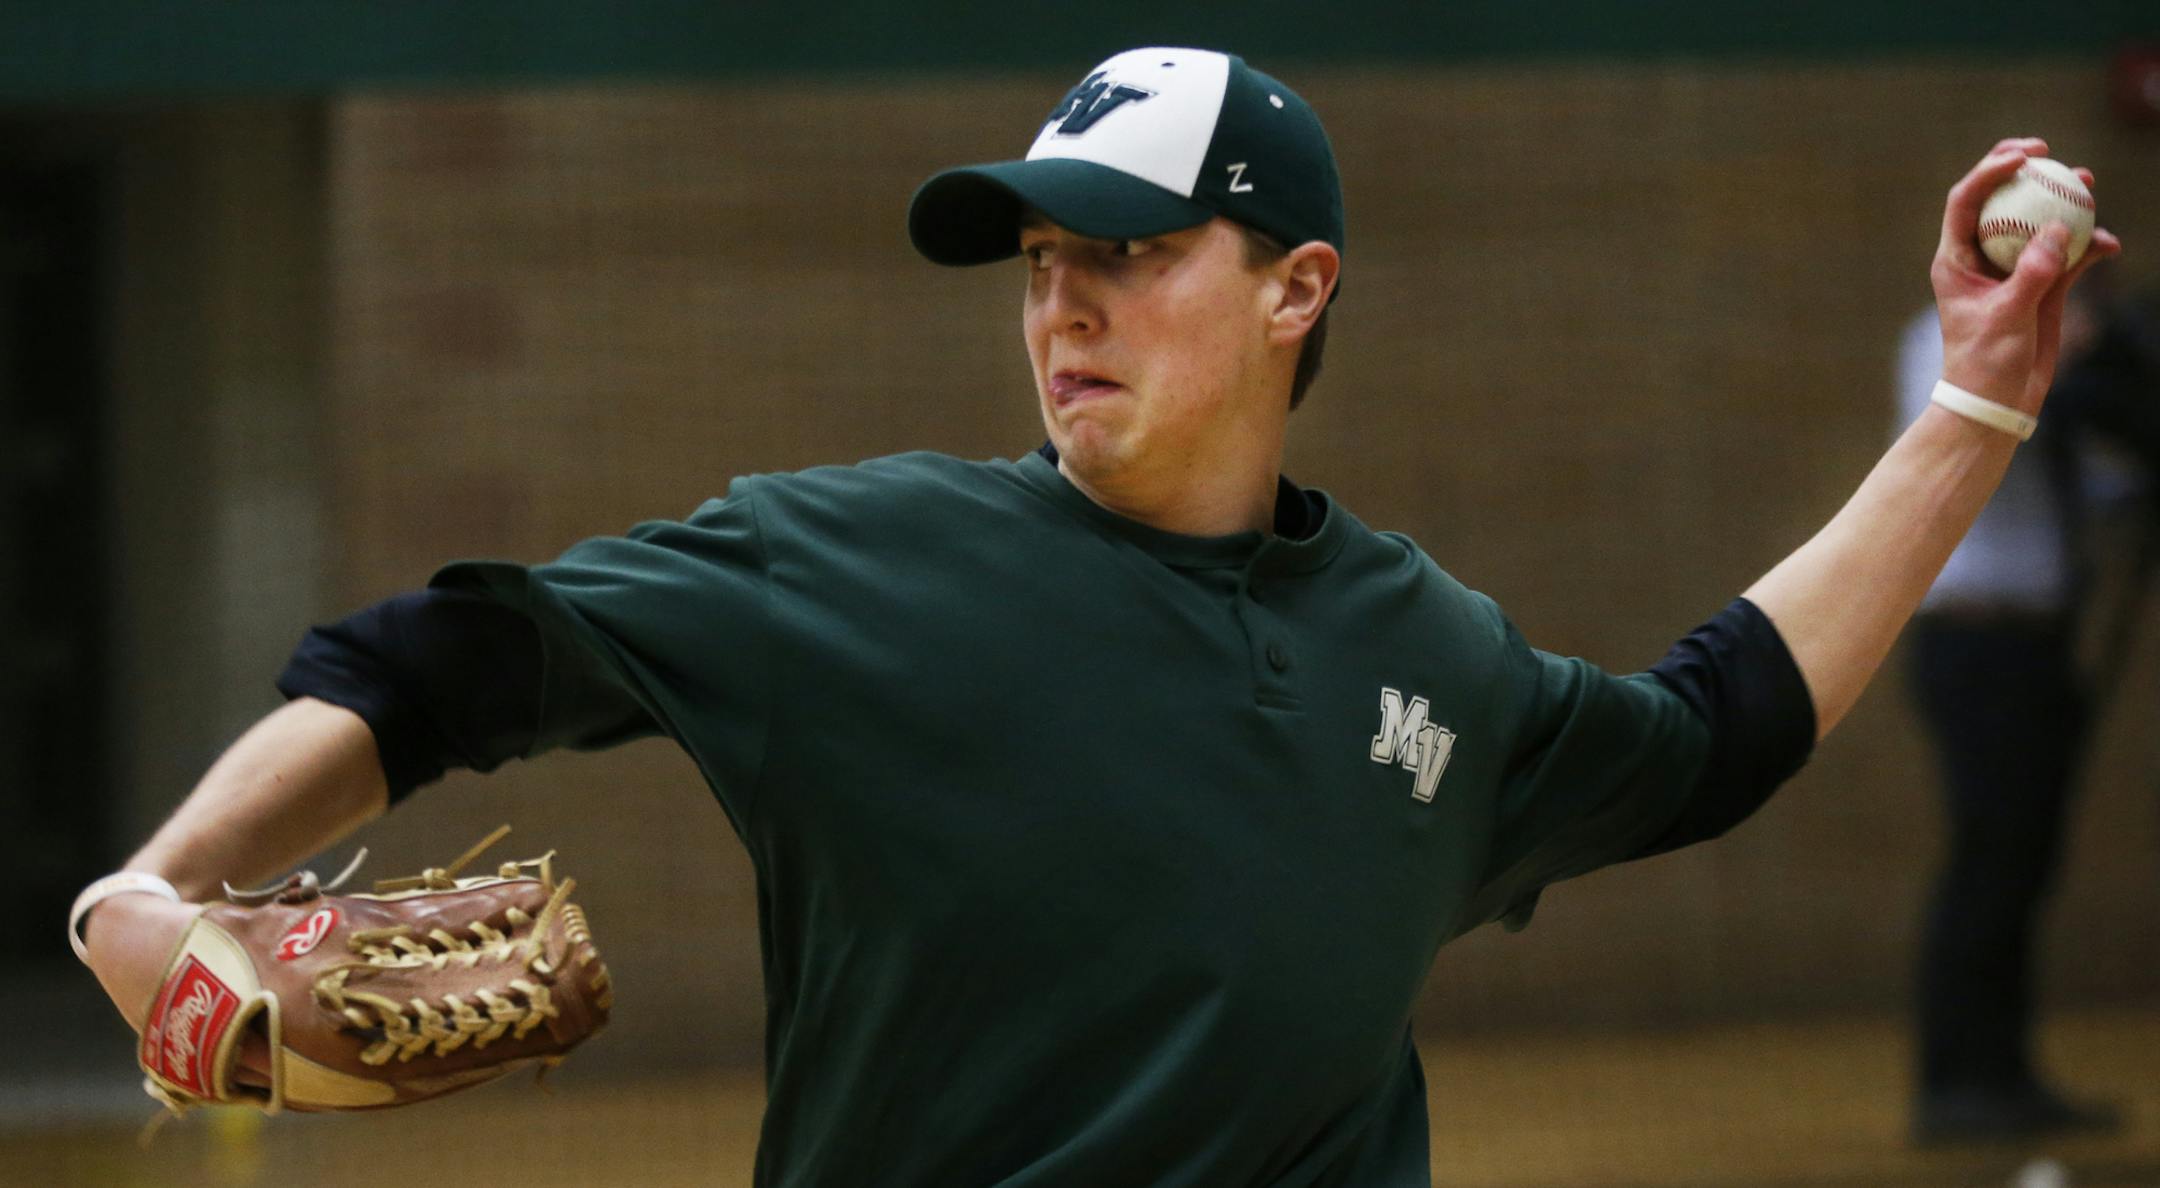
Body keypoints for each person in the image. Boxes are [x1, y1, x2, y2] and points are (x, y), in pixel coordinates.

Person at [73, 48, 2118, 1186]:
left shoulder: (1428, 655)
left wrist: (1982, 402)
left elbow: (1718, 735)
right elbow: (433, 664)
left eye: (1130, 253)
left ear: (1296, 289)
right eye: (1041, 257)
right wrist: (157, 889)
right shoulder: (845, 570)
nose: (1062, 302)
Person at [1898, 273, 2159, 1146]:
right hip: (1978, 644)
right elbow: (1984, 437)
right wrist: (2073, 355)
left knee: (2023, 860)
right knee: (1989, 855)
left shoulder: (2058, 357)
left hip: (2039, 644)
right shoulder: (1941, 337)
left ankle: (2002, 1069)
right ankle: (1953, 1079)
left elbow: (2086, 484)